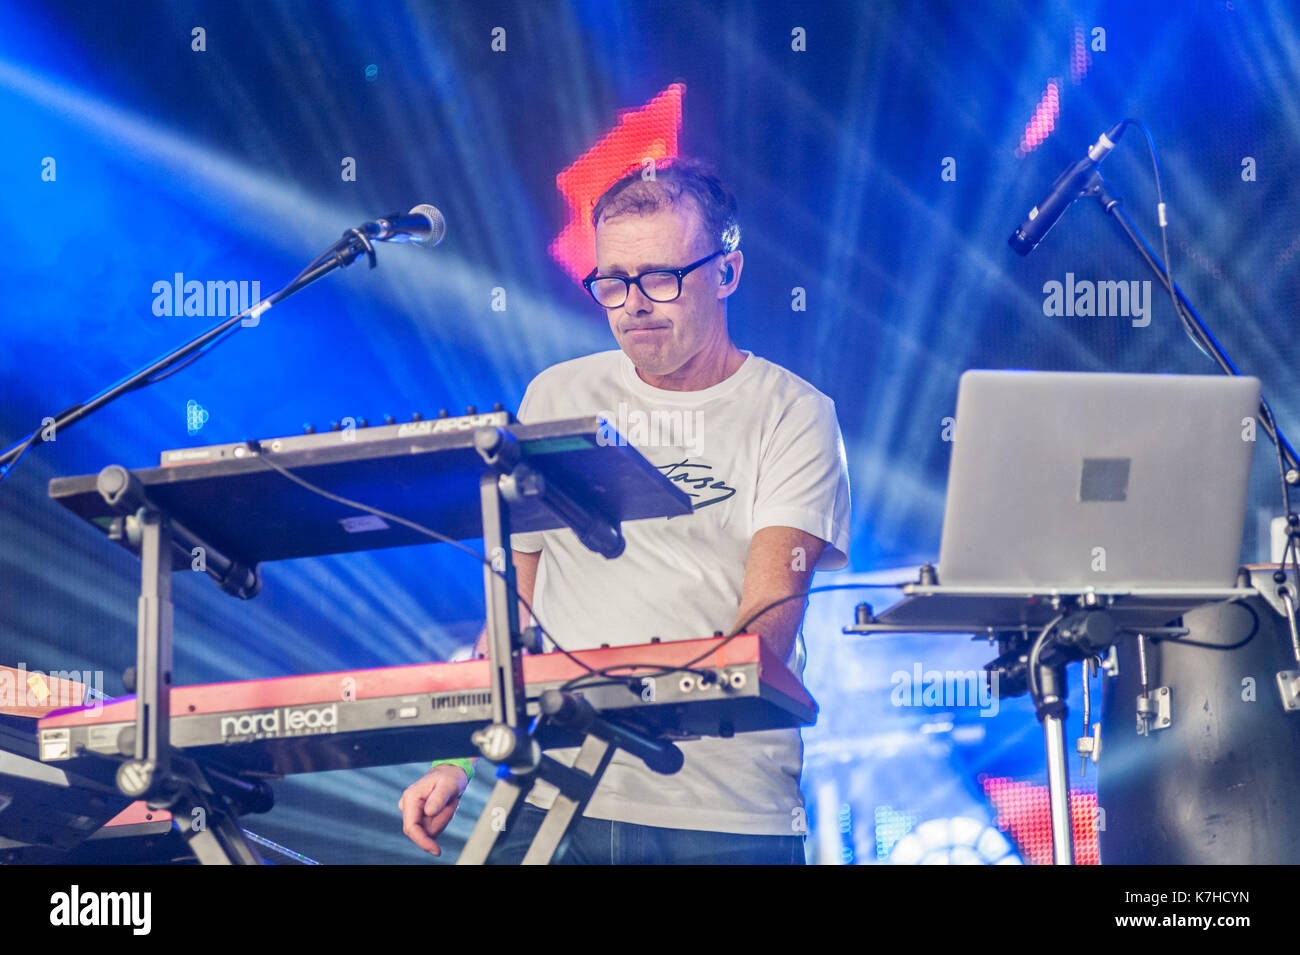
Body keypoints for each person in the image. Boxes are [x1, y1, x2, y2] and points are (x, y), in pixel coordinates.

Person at [399, 157, 851, 864]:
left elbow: (765, 627)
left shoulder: (793, 413)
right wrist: (458, 753)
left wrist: (631, 708)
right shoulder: (557, 395)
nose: (634, 304)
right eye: (613, 282)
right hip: (551, 796)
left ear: (728, 273)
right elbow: (515, 610)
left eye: (661, 279)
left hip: (723, 812)